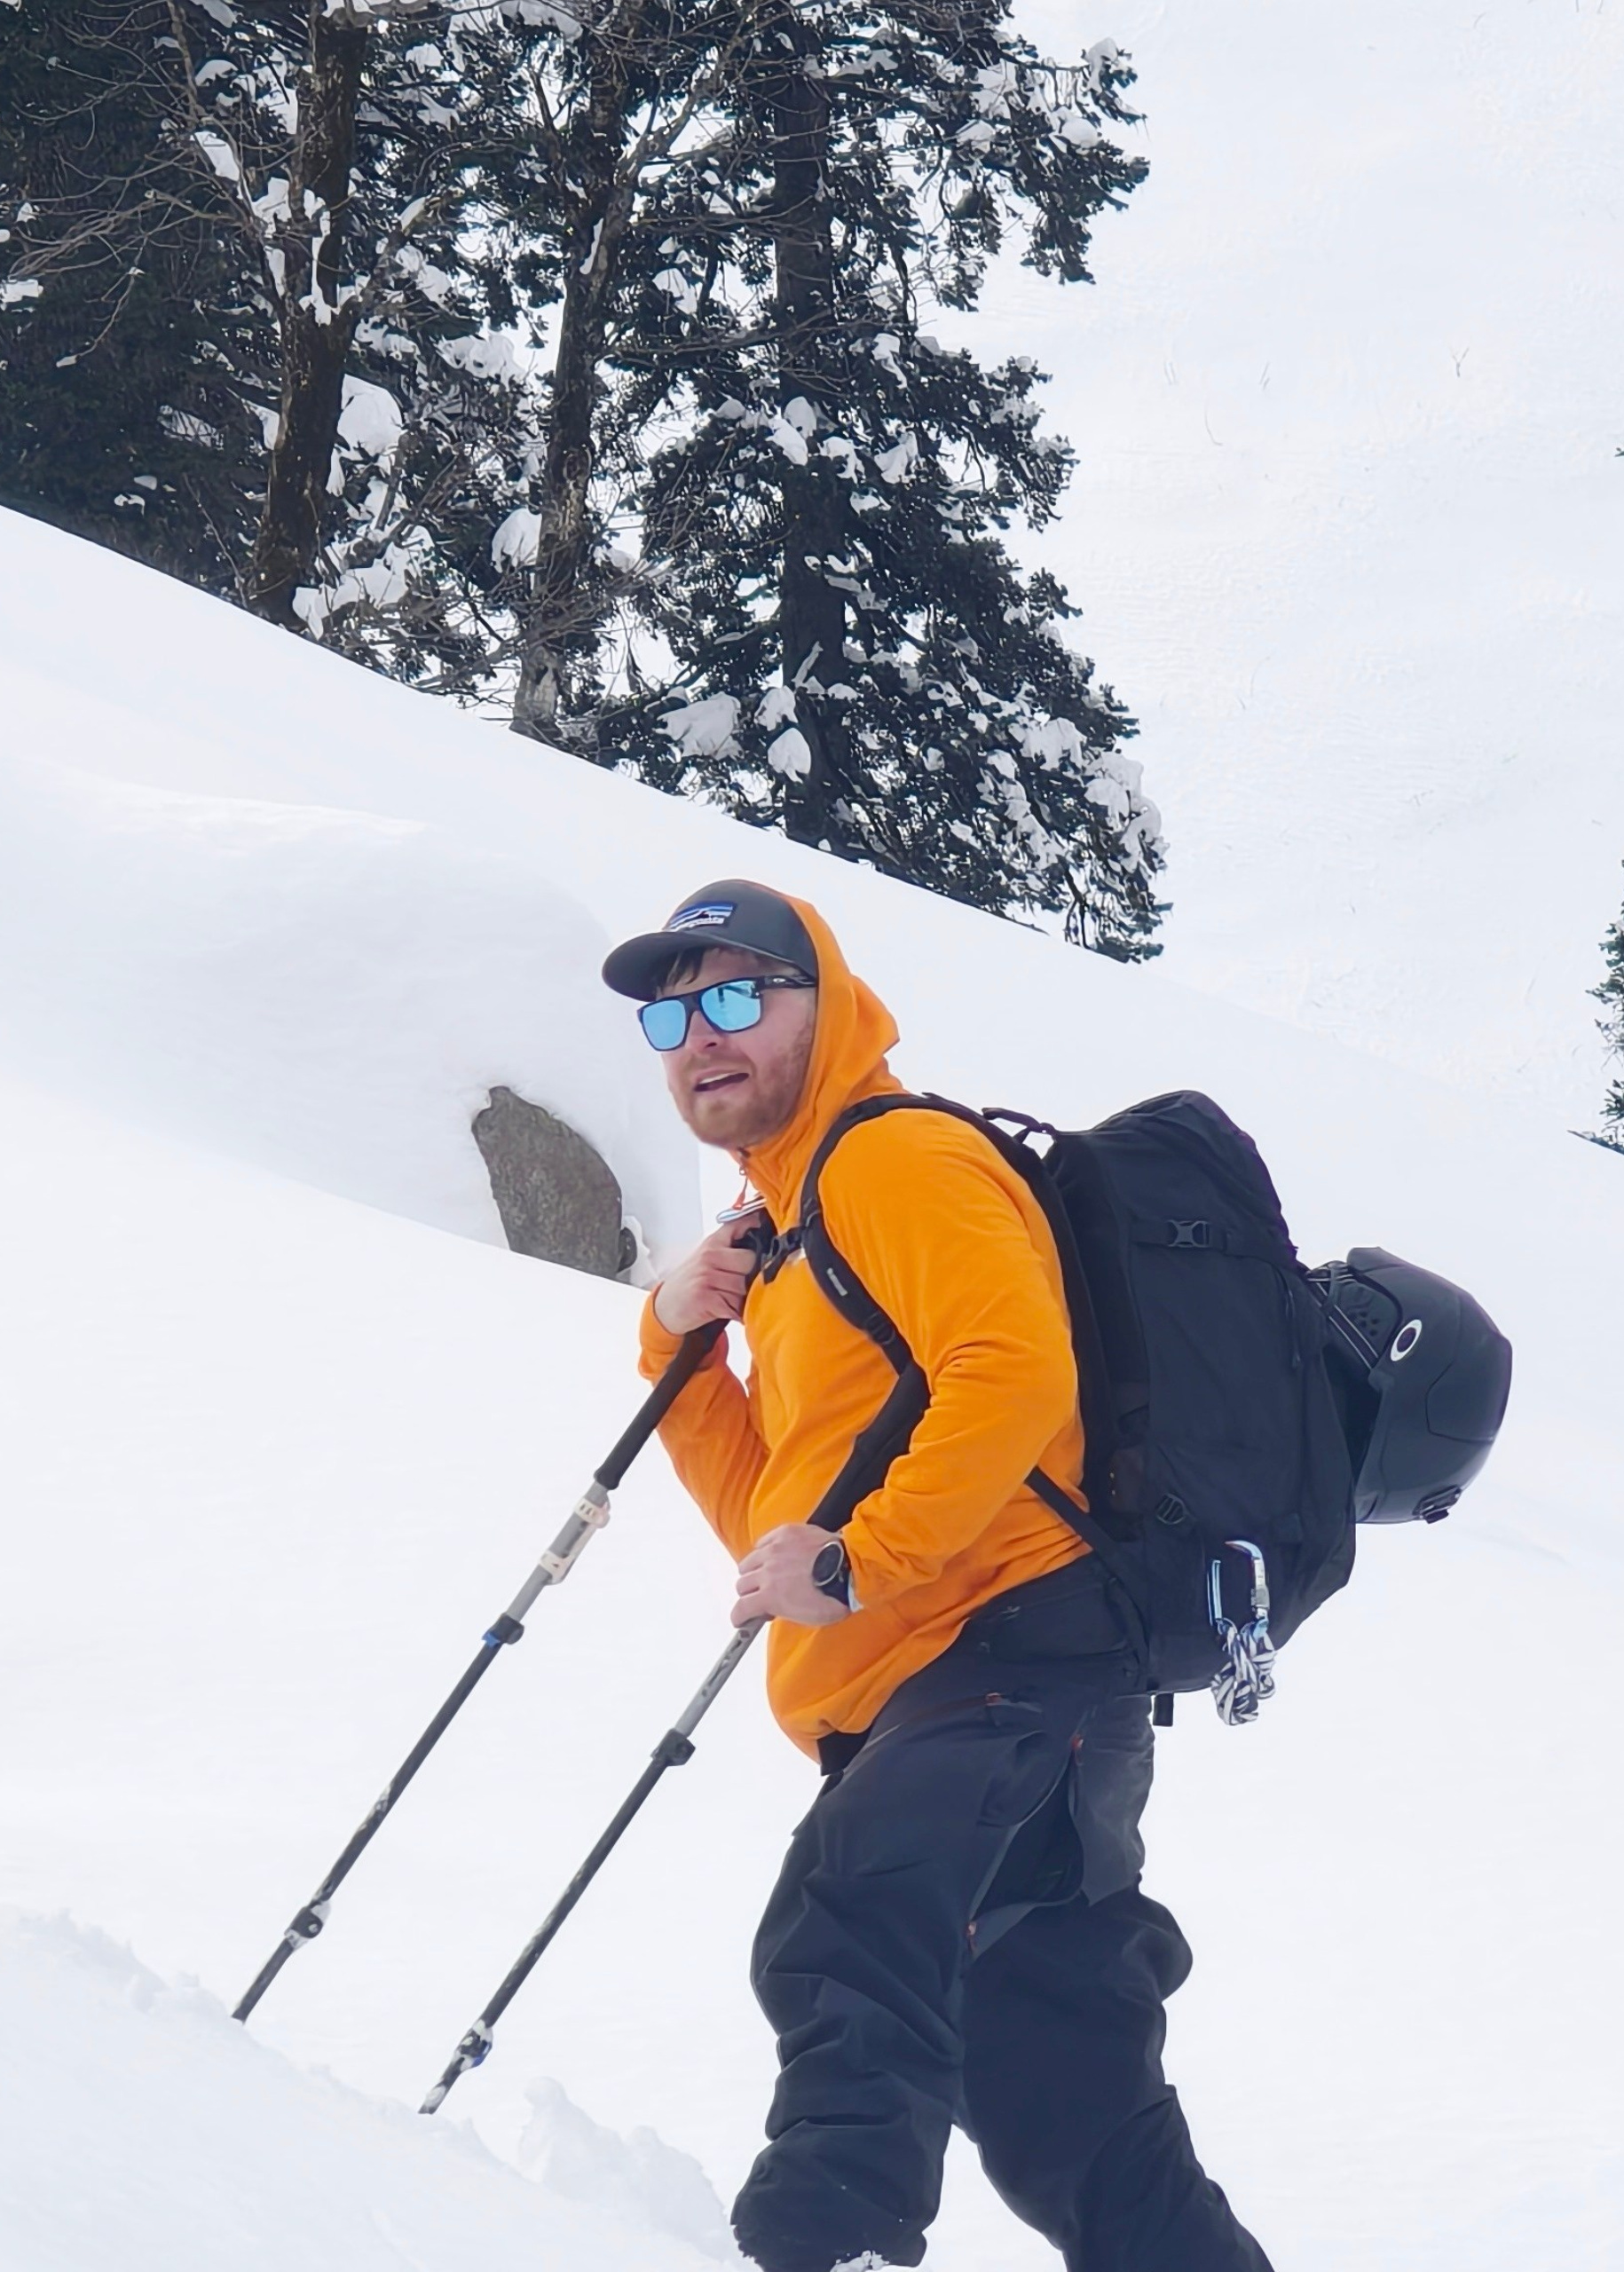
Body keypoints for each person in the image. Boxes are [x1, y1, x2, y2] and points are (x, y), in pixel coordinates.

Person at [602, 880, 1273, 2272]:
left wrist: (860, 1563)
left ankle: (819, 2250)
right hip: (977, 1690)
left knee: (846, 1927)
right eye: (671, 1011)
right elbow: (774, 1520)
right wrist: (679, 1347)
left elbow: (1017, 1371)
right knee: (1068, 2111)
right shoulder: (792, 1241)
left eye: (740, 995)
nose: (699, 1034)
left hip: (1009, 1652)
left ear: (824, 1004)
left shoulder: (891, 1161)